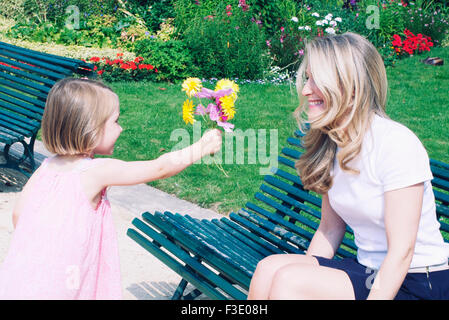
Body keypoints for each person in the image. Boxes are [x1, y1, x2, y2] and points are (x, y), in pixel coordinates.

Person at [248, 32, 449, 300]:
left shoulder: (396, 144)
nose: (306, 90)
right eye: (307, 78)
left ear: (350, 85)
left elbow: (402, 252)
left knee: (290, 280)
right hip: (368, 270)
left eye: (316, 80)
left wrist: (298, 285)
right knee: (269, 268)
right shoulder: (332, 142)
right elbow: (329, 228)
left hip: (418, 281)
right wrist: (309, 276)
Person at [0, 78, 222, 299]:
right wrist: (201, 147)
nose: (121, 128)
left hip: (32, 273)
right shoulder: (95, 172)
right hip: (67, 281)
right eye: (115, 121)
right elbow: (159, 168)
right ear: (90, 128)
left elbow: (19, 214)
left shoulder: (47, 166)